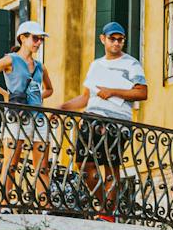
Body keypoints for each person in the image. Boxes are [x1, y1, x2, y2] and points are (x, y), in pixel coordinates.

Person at [59, 21, 148, 216]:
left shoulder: (132, 64)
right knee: (84, 165)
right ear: (103, 39)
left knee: (110, 165)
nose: (116, 43)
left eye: (120, 39)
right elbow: (85, 97)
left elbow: (142, 93)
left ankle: (108, 212)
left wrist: (113, 92)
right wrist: (61, 107)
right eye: (112, 39)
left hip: (116, 123)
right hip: (91, 120)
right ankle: (102, 206)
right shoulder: (95, 65)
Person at [0, 20, 53, 204]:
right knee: (11, 163)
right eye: (35, 38)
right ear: (23, 38)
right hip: (17, 117)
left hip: (38, 118)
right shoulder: (11, 59)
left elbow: (49, 89)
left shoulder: (40, 66)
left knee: (42, 166)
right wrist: (4, 94)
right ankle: (5, 204)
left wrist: (38, 97)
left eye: (40, 39)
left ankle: (44, 205)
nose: (38, 42)